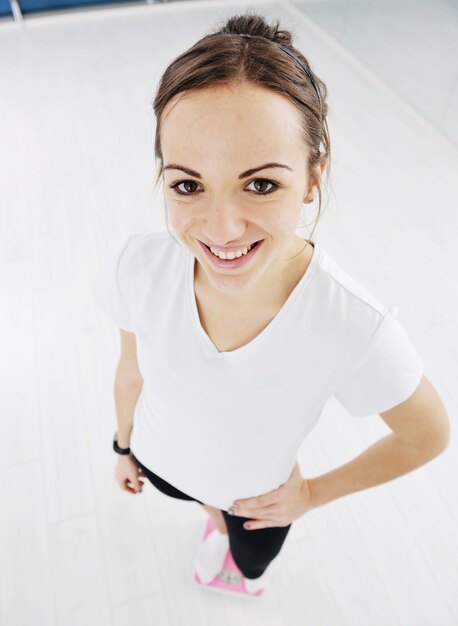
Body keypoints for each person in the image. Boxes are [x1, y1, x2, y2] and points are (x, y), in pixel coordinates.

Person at [91, 12, 450, 599]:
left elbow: (427, 435)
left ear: (313, 179)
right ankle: (209, 516)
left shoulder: (353, 325)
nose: (222, 229)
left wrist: (312, 494)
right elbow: (131, 373)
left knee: (248, 564)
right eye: (188, 184)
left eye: (260, 184)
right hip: (160, 462)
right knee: (200, 503)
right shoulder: (140, 266)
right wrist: (124, 447)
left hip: (255, 500)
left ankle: (226, 541)